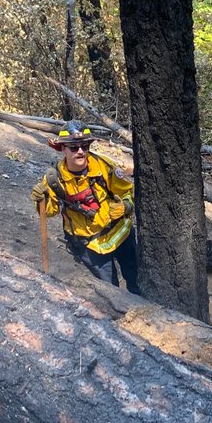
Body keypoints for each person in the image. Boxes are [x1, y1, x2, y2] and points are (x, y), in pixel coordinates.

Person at [31, 120, 140, 294]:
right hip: (90, 245)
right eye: (74, 147)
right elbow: (49, 212)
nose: (80, 151)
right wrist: (40, 199)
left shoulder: (103, 166)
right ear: (63, 149)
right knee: (112, 292)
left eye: (84, 145)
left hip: (120, 233)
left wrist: (126, 206)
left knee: (137, 281)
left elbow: (128, 191)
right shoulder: (54, 179)